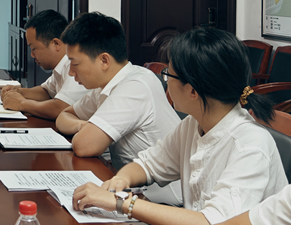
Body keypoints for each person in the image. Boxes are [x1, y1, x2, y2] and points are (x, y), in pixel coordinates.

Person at [73, 28, 286, 225]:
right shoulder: (194, 123)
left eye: (169, 74)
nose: (165, 81)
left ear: (192, 91)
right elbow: (149, 164)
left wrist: (122, 203)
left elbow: (211, 221)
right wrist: (122, 179)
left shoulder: (250, 145)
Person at [55, 12, 182, 203]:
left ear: (104, 61)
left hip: (165, 200)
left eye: (75, 63)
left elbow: (84, 146)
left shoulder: (135, 86)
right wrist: (83, 126)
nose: (71, 72)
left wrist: (87, 131)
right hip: (129, 186)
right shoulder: (107, 85)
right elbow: (63, 116)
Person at [0, 10, 87, 119]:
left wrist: (21, 103)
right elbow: (46, 92)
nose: (32, 55)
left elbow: (60, 108)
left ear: (56, 44)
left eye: (34, 48)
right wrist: (18, 91)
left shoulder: (74, 66)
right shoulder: (61, 66)